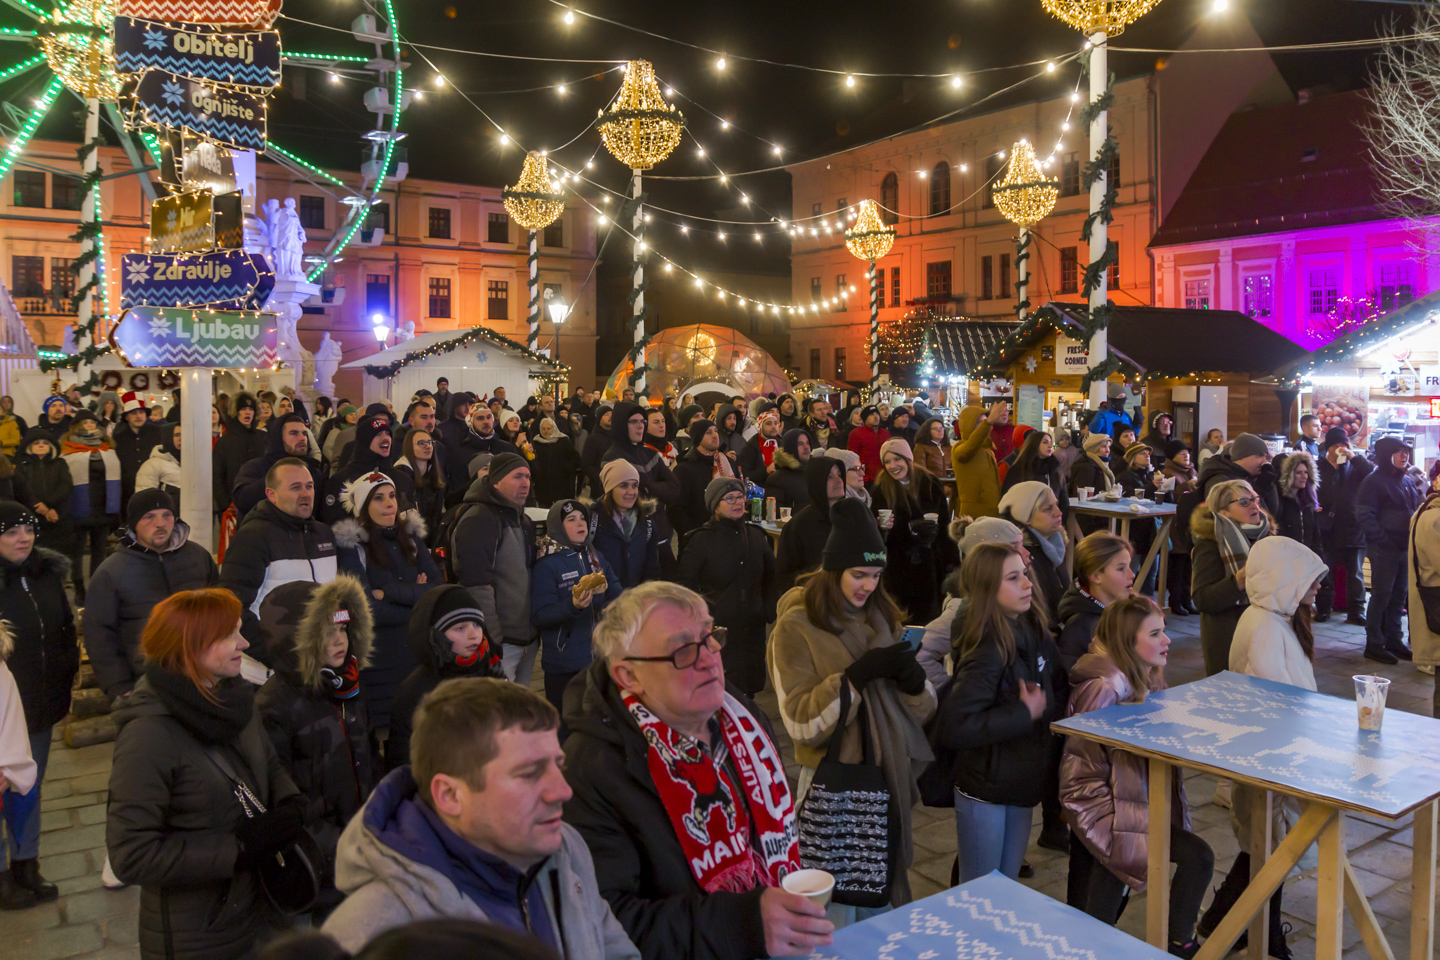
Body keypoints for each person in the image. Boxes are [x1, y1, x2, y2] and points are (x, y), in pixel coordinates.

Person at [563, 582, 832, 959]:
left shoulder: (742, 717)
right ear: (629, 676)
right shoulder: (591, 768)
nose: (709, 658)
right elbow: (602, 922)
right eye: (682, 650)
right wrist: (742, 924)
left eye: (710, 637)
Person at [321, 678, 641, 958]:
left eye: (559, 765)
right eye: (530, 773)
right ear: (449, 796)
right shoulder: (370, 934)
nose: (561, 791)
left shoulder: (566, 850)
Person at [106, 588, 305, 960]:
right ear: (189, 646)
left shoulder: (234, 698)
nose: (244, 643)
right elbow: (131, 854)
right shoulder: (148, 735)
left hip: (259, 909)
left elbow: (266, 761)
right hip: (199, 933)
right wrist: (238, 848)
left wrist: (289, 800)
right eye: (229, 635)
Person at [767, 499, 934, 911]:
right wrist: (855, 678)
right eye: (858, 574)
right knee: (837, 911)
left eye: (876, 575)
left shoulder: (883, 621)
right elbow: (802, 725)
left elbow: (921, 712)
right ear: (833, 571)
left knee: (879, 903)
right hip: (834, 784)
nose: (868, 586)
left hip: (885, 778)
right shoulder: (795, 627)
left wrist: (914, 683)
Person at [1060, 596, 1213, 957]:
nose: (1168, 640)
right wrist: (1112, 830)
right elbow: (1078, 776)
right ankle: (1178, 945)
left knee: (1198, 858)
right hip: (1116, 825)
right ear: (1129, 642)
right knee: (1098, 923)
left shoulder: (1145, 680)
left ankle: (1180, 943)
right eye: (1156, 633)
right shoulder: (1104, 688)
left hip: (1138, 818)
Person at [1196, 536, 1326, 959]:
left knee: (1266, 848)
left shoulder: (1275, 619)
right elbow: (1278, 703)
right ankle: (1254, 932)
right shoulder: (1266, 627)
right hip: (1271, 758)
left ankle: (1232, 924)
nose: (1319, 586)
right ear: (1285, 579)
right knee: (1269, 849)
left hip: (1276, 756)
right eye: (1310, 579)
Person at [936, 541, 1064, 883]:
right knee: (978, 895)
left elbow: (1057, 679)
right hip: (987, 792)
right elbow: (956, 726)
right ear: (987, 589)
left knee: (1004, 887)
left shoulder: (1031, 627)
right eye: (1013, 578)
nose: (1027, 584)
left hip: (1020, 785)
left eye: (1024, 574)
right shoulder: (988, 648)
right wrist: (1023, 713)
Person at [255, 576, 378, 911]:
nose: (339, 641)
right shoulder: (274, 707)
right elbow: (284, 800)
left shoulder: (346, 684)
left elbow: (367, 757)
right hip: (323, 858)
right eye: (326, 633)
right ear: (296, 640)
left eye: (342, 630)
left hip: (364, 842)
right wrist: (342, 845)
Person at [0, 503, 74, 905]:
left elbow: (63, 628)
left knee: (28, 787)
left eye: (27, 531)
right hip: (1, 713)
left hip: (40, 705)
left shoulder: (45, 574)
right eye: (11, 532)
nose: (22, 539)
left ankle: (26, 864)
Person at [83, 489, 219, 702]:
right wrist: (119, 686)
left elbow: (220, 610)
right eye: (149, 517)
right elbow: (99, 634)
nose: (160, 523)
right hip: (146, 684)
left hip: (204, 674)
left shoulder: (198, 556)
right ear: (133, 523)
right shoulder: (111, 572)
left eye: (167, 515)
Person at [334, 471, 440, 729]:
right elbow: (369, 611)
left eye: (392, 496)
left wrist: (390, 592)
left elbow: (438, 592)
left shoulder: (412, 538)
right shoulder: (353, 547)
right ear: (363, 506)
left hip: (419, 657)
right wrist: (418, 597)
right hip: (381, 664)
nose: (389, 504)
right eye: (378, 498)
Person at [220, 458, 339, 659]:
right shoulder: (252, 538)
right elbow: (232, 608)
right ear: (271, 495)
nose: (306, 494)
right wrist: (278, 655)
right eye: (295, 487)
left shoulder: (324, 535)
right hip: (268, 670)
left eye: (309, 486)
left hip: (318, 661)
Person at [677, 478, 778, 696]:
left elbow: (772, 576)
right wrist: (702, 620)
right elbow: (685, 587)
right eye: (729, 498)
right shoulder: (700, 541)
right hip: (719, 628)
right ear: (715, 505)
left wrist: (768, 609)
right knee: (721, 686)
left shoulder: (756, 536)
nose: (737, 502)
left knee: (750, 685)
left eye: (740, 497)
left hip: (753, 626)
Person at [386, 587, 504, 771]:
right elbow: (403, 765)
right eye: (460, 628)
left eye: (477, 624)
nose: (474, 635)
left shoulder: (493, 671)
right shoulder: (416, 693)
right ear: (437, 636)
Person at [451, 453, 538, 684]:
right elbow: (476, 586)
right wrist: (492, 638)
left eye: (528, 477)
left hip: (526, 638)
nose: (525, 483)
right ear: (496, 481)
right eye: (517, 476)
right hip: (502, 642)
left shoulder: (522, 518)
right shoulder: (480, 519)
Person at [915, 516, 1030, 689]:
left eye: (1022, 544)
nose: (1026, 552)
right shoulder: (963, 607)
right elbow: (919, 652)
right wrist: (948, 692)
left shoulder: (1021, 591)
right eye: (1014, 547)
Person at [532, 500, 622, 718]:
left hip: (599, 659)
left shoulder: (595, 557)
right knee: (566, 727)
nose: (580, 523)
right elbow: (541, 615)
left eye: (582, 518)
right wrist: (573, 606)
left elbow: (618, 595)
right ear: (557, 526)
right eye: (571, 519)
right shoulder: (547, 564)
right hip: (564, 665)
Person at [1191, 479, 1271, 675]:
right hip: (1228, 636)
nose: (1254, 506)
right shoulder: (1210, 544)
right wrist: (1238, 581)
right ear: (1223, 512)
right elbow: (1202, 599)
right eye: (1244, 502)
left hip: (1266, 633)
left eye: (1255, 499)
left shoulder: (1267, 537)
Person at [1355, 436, 1423, 663]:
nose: (1405, 456)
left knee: (1398, 597)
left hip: (1403, 548)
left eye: (1406, 451)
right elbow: (1364, 514)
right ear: (1386, 455)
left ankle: (1394, 640)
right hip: (1384, 549)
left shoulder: (1405, 480)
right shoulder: (1373, 481)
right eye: (1399, 452)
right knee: (1381, 595)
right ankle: (1374, 644)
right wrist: (1383, 540)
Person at [870, 438, 954, 622]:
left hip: (930, 564)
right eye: (887, 461)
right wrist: (884, 527)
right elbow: (875, 537)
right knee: (901, 619)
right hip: (898, 567)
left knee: (929, 619)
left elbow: (945, 528)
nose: (893, 466)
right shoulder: (881, 489)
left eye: (897, 459)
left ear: (908, 459)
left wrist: (951, 565)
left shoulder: (930, 483)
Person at [60, 410, 120, 598]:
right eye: (85, 422)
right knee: (77, 553)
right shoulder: (68, 450)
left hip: (103, 506)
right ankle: (79, 590)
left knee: (99, 551)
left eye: (93, 422)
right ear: (77, 426)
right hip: (78, 507)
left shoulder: (107, 449)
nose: (90, 425)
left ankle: (96, 589)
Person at [1317, 428, 1371, 626]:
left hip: (1353, 528)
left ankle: (1356, 611)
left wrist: (1354, 458)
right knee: (1324, 570)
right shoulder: (1318, 466)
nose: (1341, 448)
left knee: (1355, 572)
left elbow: (1372, 476)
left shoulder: (1356, 467)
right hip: (1326, 528)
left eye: (1344, 445)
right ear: (1328, 447)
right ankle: (1323, 609)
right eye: (1336, 445)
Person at [1056, 532, 1134, 668]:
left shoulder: (1128, 610)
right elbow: (1073, 680)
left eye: (1129, 566)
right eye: (1121, 568)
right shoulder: (1081, 626)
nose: (1131, 574)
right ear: (1096, 576)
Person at [233, 412, 329, 519]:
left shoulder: (313, 472)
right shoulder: (255, 467)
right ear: (278, 438)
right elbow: (242, 501)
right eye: (294, 433)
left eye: (304, 434)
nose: (302, 438)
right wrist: (281, 475)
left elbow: (321, 515)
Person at [998, 481, 1068, 623]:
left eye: (1056, 504)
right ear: (1026, 517)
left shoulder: (1054, 544)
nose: (1058, 512)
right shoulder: (1022, 556)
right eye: (1048, 508)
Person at [775, 455, 845, 594]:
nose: (839, 481)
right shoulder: (799, 525)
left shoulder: (850, 517)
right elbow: (784, 577)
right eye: (830, 477)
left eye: (840, 474)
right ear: (817, 482)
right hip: (813, 599)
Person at [590, 460, 662, 590]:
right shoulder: (592, 520)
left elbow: (652, 567)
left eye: (634, 485)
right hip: (605, 603)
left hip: (635, 601)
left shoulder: (646, 520)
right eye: (623, 486)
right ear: (610, 489)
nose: (631, 492)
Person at [325, 411, 403, 524]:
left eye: (387, 433)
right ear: (365, 440)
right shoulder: (341, 480)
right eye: (378, 434)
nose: (386, 438)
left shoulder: (401, 478)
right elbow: (333, 521)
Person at [1276, 451, 1327, 614]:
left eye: (1306, 472)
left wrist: (1318, 557)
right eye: (1298, 472)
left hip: (1305, 561)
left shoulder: (1308, 503)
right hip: (1286, 562)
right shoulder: (1280, 501)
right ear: (1289, 475)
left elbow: (1315, 534)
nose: (1304, 476)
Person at [601, 401, 681, 505]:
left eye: (642, 421)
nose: (640, 426)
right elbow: (628, 499)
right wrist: (658, 488)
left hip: (657, 519)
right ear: (621, 424)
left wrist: (647, 487)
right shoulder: (613, 458)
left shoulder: (650, 454)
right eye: (634, 421)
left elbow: (675, 488)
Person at [670, 418, 736, 537]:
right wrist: (691, 534)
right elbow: (675, 509)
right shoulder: (685, 468)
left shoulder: (724, 462)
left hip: (725, 533)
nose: (715, 435)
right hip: (696, 538)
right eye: (708, 432)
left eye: (715, 431)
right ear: (698, 438)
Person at [13, 428, 73, 558]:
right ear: (29, 446)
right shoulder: (22, 466)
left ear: (51, 446)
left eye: (45, 443)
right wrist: (39, 507)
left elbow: (66, 486)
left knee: (57, 558)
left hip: (56, 517)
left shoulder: (60, 463)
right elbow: (22, 490)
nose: (41, 445)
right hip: (32, 517)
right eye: (36, 443)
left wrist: (51, 508)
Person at [1198, 432, 1279, 519]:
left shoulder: (1248, 476)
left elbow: (1272, 514)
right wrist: (1260, 490)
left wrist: (1269, 485)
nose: (1264, 461)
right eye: (1260, 455)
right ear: (1242, 455)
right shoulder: (1221, 480)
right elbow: (1242, 518)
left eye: (1266, 457)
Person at [111, 391, 164, 514]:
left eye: (141, 412)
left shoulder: (158, 433)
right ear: (126, 417)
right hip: (127, 491)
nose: (138, 416)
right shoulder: (119, 438)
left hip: (154, 488)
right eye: (134, 413)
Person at [214, 392, 266, 515]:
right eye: (243, 409)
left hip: (262, 505)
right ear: (236, 412)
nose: (247, 412)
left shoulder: (264, 438)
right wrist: (225, 505)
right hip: (234, 507)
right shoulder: (224, 442)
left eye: (251, 409)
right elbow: (217, 477)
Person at [951, 402, 1005, 520]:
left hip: (992, 510)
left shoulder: (986, 448)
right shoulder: (960, 449)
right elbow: (972, 445)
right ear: (969, 424)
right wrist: (988, 422)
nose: (988, 426)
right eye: (981, 422)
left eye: (986, 421)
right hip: (974, 514)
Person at [393, 428, 446, 543]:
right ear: (409, 447)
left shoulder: (434, 474)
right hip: (407, 541)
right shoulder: (400, 476)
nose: (428, 446)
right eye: (421, 443)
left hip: (430, 541)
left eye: (430, 442)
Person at [1002, 429, 1069, 518]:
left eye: (1050, 442)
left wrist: (1060, 521)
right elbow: (1008, 500)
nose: (1050, 445)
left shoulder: (1055, 470)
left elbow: (1064, 500)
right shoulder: (1019, 470)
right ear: (1034, 445)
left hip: (1052, 523)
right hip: (1025, 523)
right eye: (1045, 442)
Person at [1069, 434, 1116, 535]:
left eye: (1108, 447)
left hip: (1101, 517)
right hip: (1091, 521)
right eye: (1103, 447)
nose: (1108, 451)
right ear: (1094, 449)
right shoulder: (1087, 467)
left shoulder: (1104, 466)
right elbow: (1081, 499)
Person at [530, 417, 580, 508]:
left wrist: (567, 468)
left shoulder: (563, 440)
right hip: (543, 484)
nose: (546, 431)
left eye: (548, 428)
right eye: (543, 429)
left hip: (562, 483)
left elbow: (575, 457)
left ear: (553, 428)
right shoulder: (536, 442)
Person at [134, 422, 182, 506]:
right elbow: (144, 500)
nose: (181, 438)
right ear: (168, 437)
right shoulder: (152, 465)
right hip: (166, 516)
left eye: (184, 434)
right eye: (177, 435)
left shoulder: (193, 464)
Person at [763, 427, 812, 509]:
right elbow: (774, 514)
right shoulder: (777, 480)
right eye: (800, 444)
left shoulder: (815, 473)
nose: (806, 447)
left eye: (808, 443)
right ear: (790, 447)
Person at [845, 405, 890, 483]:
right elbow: (852, 459)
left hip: (886, 478)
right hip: (867, 480)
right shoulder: (856, 434)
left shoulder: (886, 433)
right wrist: (864, 478)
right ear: (865, 418)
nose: (876, 416)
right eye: (871, 414)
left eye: (877, 413)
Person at [737, 408, 783, 485]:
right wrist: (766, 470)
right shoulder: (749, 448)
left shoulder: (782, 444)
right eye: (769, 423)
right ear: (759, 426)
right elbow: (745, 476)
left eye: (776, 423)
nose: (774, 426)